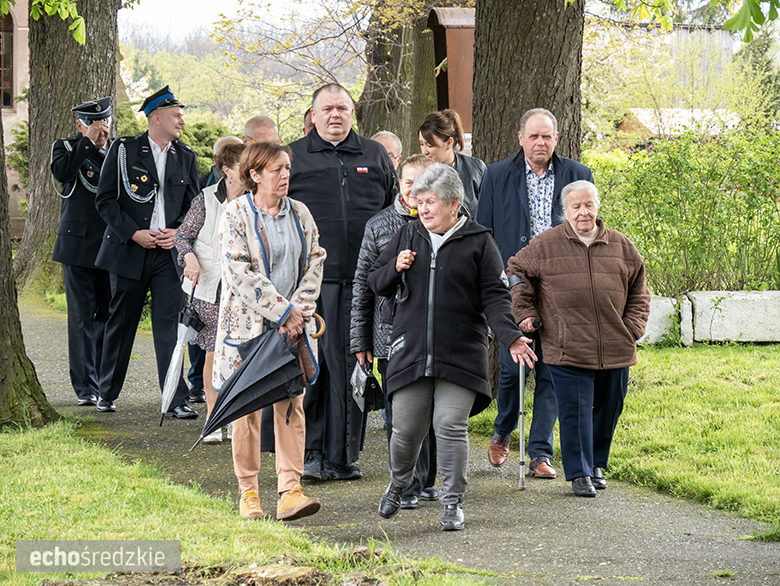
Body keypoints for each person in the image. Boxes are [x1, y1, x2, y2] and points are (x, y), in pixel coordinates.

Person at [368, 163, 536, 531]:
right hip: (411, 350)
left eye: (430, 202)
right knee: (406, 429)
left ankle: (452, 502)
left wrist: (510, 337)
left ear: (454, 203)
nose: (423, 209)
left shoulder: (479, 241)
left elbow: (495, 296)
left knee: (449, 424)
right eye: (419, 203)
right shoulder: (408, 235)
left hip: (461, 353)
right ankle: (399, 483)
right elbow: (376, 282)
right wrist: (395, 267)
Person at [507, 180, 650, 497]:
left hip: (616, 346)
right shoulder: (546, 244)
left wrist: (632, 328)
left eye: (588, 205)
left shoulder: (622, 247)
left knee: (609, 409)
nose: (583, 212)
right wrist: (525, 312)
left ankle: (597, 464)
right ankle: (580, 473)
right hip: (566, 344)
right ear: (564, 211)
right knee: (575, 410)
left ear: (597, 207)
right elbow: (516, 270)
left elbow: (640, 292)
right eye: (576, 206)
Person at [476, 108, 595, 478]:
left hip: (562, 287)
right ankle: (503, 428)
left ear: (556, 138)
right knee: (513, 369)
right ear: (521, 138)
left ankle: (540, 452)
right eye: (533, 136)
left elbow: (589, 228)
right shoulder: (496, 175)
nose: (540, 143)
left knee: (553, 371)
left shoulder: (578, 175)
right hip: (515, 285)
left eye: (546, 136)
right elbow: (484, 232)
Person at [288, 82, 397, 481]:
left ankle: (343, 455)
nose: (335, 115)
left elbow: (393, 212)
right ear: (313, 116)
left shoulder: (375, 155)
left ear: (353, 114)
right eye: (327, 109)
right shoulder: (294, 158)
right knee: (315, 367)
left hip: (366, 282)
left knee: (356, 366)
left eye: (343, 109)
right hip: (314, 284)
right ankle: (311, 453)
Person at [213, 142, 326, 520]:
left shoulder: (301, 213)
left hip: (290, 330)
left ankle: (290, 490)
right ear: (255, 174)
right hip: (247, 330)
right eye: (277, 170)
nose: (285, 176)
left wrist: (299, 311)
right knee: (247, 410)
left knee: (291, 406)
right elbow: (240, 273)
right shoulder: (234, 214)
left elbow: (315, 261)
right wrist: (284, 312)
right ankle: (248, 493)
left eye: (288, 169)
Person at [94, 86, 200, 416]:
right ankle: (106, 392)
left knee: (169, 327)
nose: (182, 120)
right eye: (176, 115)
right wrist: (133, 233)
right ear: (156, 118)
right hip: (129, 250)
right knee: (121, 323)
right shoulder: (124, 150)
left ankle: (175, 399)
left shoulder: (186, 156)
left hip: (168, 256)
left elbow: (193, 206)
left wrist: (179, 232)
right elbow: (105, 200)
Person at [351, 154, 438, 510]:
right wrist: (361, 340)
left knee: (431, 411)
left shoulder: (447, 223)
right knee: (400, 415)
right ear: (400, 185)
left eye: (424, 184)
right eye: (409, 183)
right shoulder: (379, 225)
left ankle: (427, 479)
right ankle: (406, 482)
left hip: (432, 335)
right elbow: (362, 283)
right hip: (390, 336)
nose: (416, 192)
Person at [175, 142, 246, 443]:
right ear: (227, 170)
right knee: (214, 354)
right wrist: (188, 257)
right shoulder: (206, 199)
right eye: (246, 166)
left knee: (241, 356)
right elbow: (183, 236)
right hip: (211, 290)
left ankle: (237, 419)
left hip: (244, 291)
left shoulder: (258, 199)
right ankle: (213, 418)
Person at [50, 97, 113, 407]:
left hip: (110, 246)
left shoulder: (118, 153)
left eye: (105, 123)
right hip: (77, 246)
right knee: (81, 319)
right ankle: (84, 387)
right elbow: (63, 173)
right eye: (94, 124)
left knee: (108, 316)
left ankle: (104, 383)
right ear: (81, 125)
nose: (102, 130)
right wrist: (87, 144)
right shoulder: (66, 146)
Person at [418, 109, 485, 217]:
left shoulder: (475, 169)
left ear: (449, 143)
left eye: (430, 145)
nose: (424, 151)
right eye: (421, 144)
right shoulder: (418, 172)